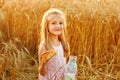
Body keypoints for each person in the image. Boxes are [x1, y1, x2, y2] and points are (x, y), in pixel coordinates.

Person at [38, 8, 70, 80]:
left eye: (61, 23)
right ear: (47, 26)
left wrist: (71, 71)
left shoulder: (64, 44)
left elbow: (63, 65)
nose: (58, 26)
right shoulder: (44, 45)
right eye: (53, 23)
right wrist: (44, 62)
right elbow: (42, 72)